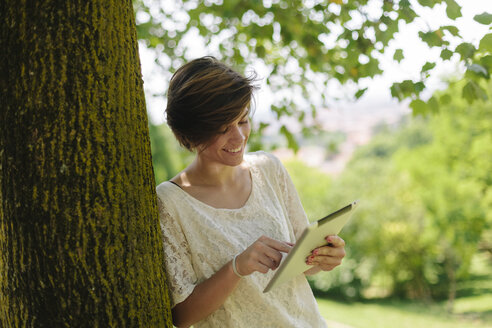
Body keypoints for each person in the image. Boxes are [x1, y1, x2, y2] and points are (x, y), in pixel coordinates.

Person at [156, 56, 346, 328]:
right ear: (191, 133)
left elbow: (304, 262)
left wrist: (326, 258)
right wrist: (237, 267)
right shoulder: (170, 202)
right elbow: (182, 315)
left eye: (243, 121)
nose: (238, 138)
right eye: (223, 129)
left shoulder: (269, 169)